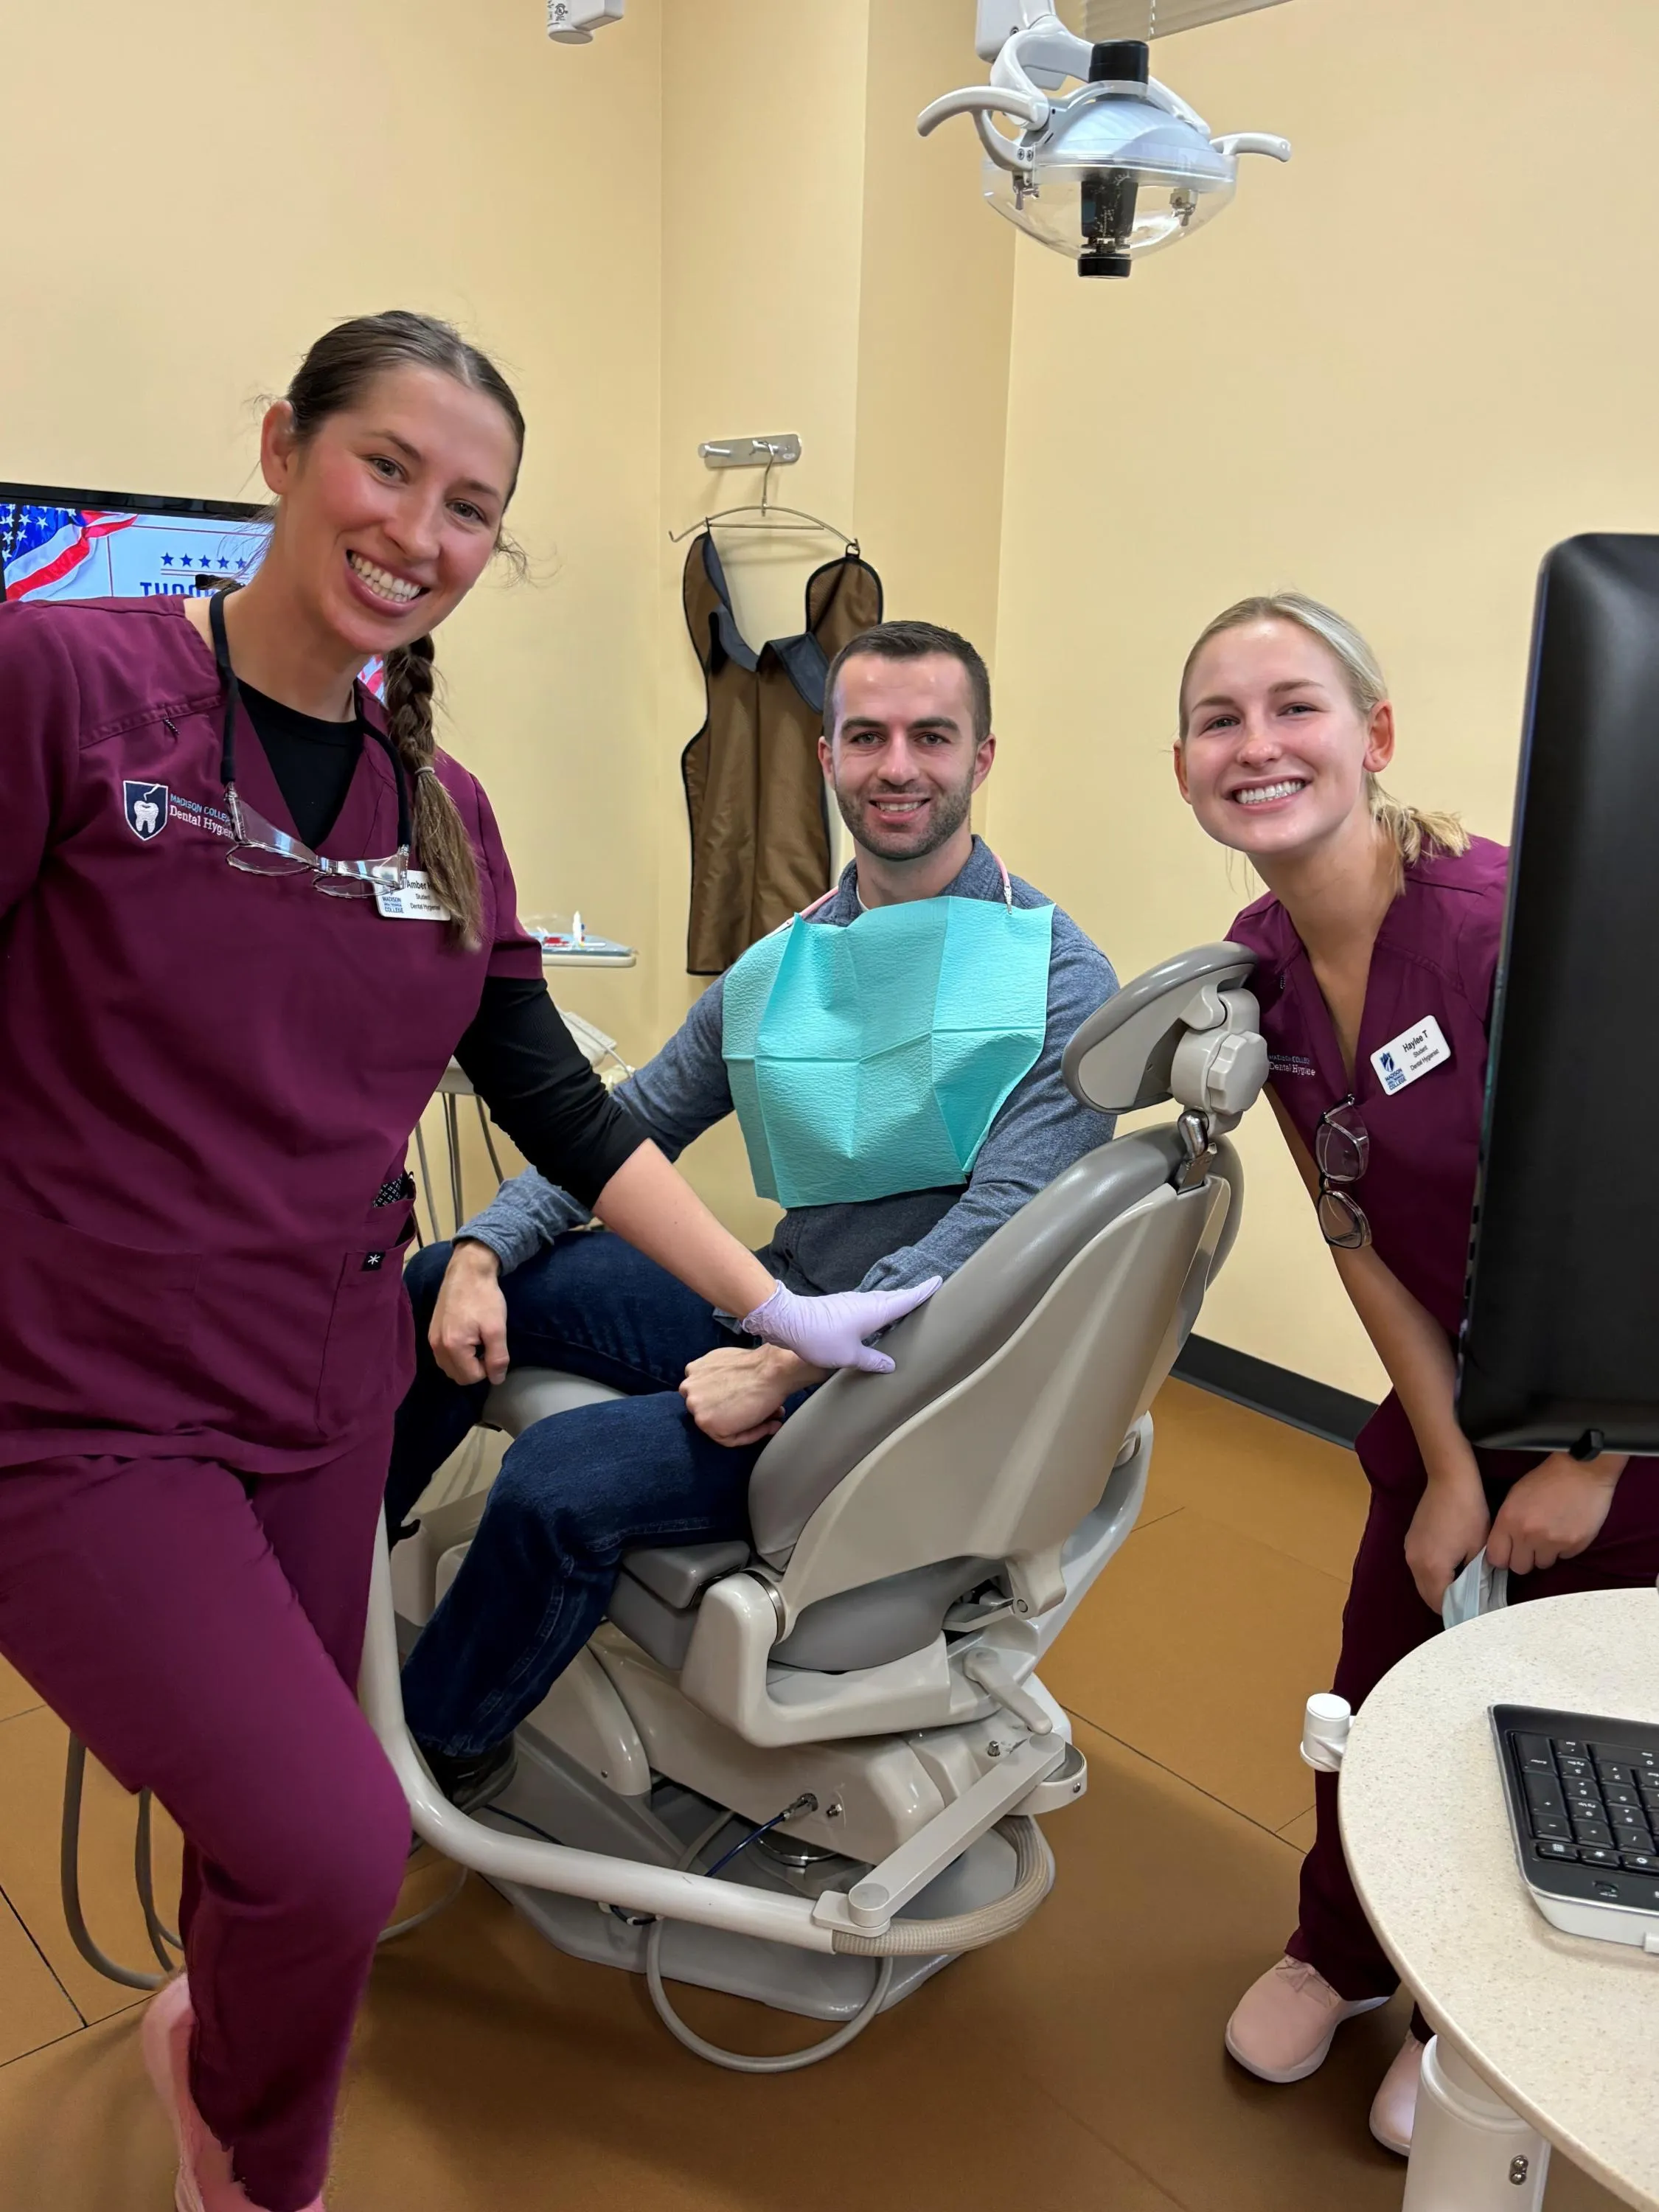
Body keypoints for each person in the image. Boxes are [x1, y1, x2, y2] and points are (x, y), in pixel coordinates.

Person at [0, 313, 932, 2212]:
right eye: (390, 469)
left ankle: (216, 2029)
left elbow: (567, 1109)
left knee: (257, 1838)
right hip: (78, 1395)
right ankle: (265, 2171)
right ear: (284, 448)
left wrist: (776, 1306)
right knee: (339, 1843)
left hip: (326, 1375)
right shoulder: (59, 683)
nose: (423, 530)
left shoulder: (446, 817)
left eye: (474, 509)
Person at [388, 618, 1119, 1806]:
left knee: (557, 1480)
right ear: (826, 753)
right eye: (868, 736)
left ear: (981, 758)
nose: (898, 767)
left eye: (932, 737)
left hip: (899, 1385)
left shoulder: (1057, 979)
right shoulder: (780, 969)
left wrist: (781, 1369)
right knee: (430, 1283)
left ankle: (436, 1749)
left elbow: (994, 1237)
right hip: (782, 1304)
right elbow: (617, 1131)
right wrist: (480, 1245)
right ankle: (330, 1582)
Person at [1172, 593, 1659, 2156]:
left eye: (1294, 706)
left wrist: (1587, 1457)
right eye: (1220, 718)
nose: (1259, 745)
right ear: (1183, 765)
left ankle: (1477, 2024)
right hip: (1458, 1399)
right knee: (1381, 1688)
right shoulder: (1259, 968)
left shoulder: (1522, 932)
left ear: (1373, 737)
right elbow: (1353, 1228)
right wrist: (1453, 1466)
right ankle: (1341, 1949)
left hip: (1629, 1415)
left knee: (1553, 1737)